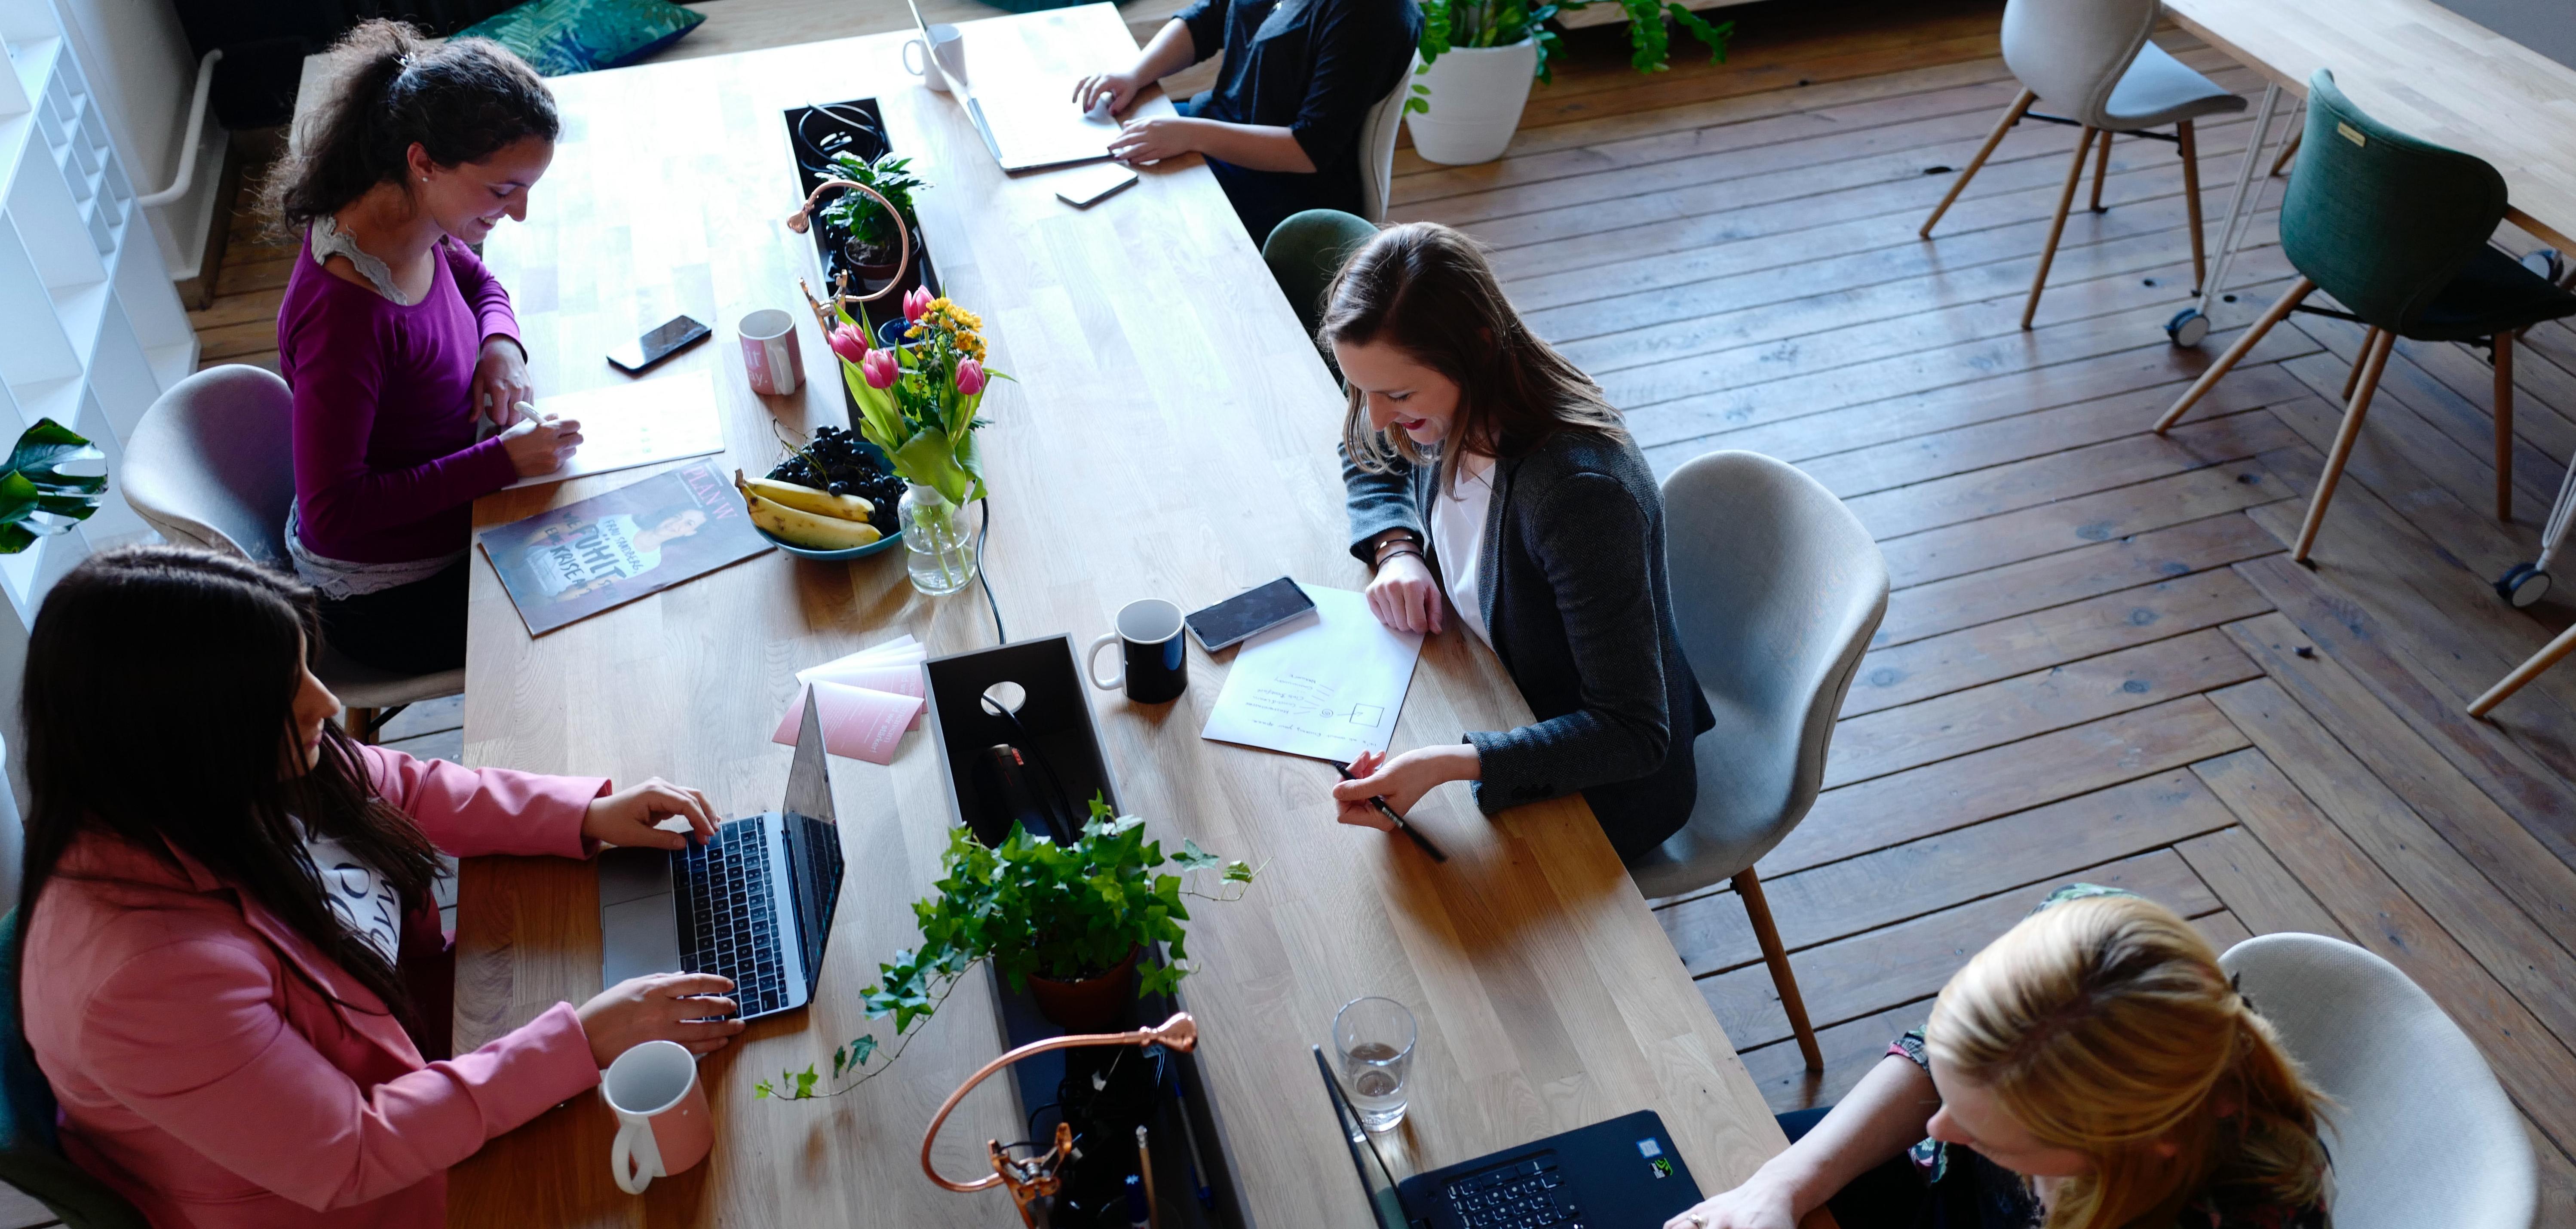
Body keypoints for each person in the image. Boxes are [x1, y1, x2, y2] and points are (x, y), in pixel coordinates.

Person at [15, 547, 744, 1229]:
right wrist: (583, 1038)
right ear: (182, 737)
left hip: (425, 1056)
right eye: (285, 692)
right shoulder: (142, 980)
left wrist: (583, 814)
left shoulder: (213, 776)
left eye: (305, 668)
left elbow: (399, 784)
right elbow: (349, 1152)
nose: (326, 703)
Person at [1323, 222, 1716, 863]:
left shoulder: (1577, 496)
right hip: (1489, 686)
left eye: (1397, 394)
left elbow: (1633, 733)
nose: (1376, 416)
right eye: (1362, 388)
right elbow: (1364, 445)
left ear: (1476, 348)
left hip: (1600, 786)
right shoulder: (1444, 395)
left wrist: (1454, 763)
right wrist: (1396, 547)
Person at [1666, 888, 2333, 1229]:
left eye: (1987, 1132)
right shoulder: (2081, 928)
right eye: (1952, 1092)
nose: (1939, 1127)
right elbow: (1932, 1066)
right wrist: (1782, 1184)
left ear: (2128, 1143)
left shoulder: (2241, 1215)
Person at [268, 21, 585, 677]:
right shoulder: (344, 316)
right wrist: (499, 462)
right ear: (424, 162)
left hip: (459, 504)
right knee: (593, 616)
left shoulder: (408, 215)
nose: (519, 213)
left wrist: (501, 344)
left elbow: (473, 275)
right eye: (503, 190)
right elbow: (336, 513)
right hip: (393, 595)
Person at [1073, 0, 1421, 242]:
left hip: (1284, 188)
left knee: (1132, 212)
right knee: (1098, 154)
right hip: (1213, 128)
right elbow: (1208, 18)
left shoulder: (1372, 14)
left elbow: (1310, 148)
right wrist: (1134, 75)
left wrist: (1190, 135)